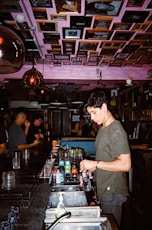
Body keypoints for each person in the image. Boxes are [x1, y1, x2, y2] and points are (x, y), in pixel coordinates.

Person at [80, 90, 131, 227]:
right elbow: (106, 158)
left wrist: (95, 164)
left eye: (94, 112)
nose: (91, 117)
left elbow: (125, 164)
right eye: (90, 114)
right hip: (104, 188)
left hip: (113, 191)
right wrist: (91, 171)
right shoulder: (103, 129)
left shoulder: (116, 130)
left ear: (104, 107)